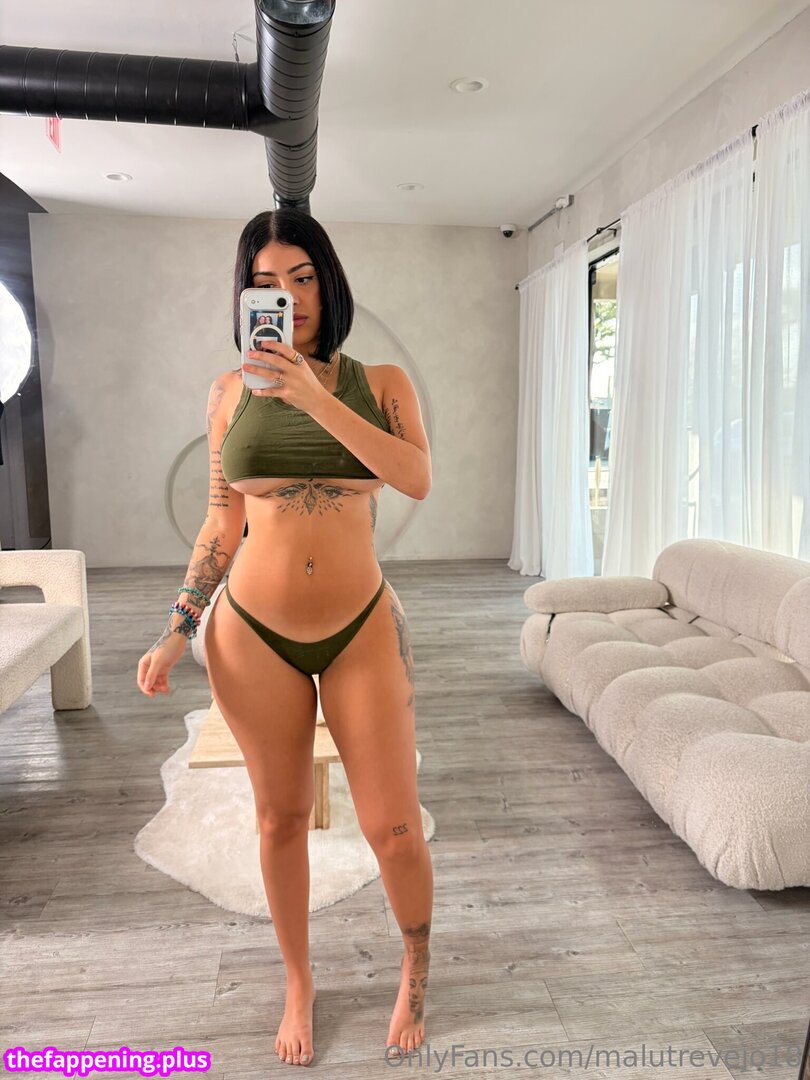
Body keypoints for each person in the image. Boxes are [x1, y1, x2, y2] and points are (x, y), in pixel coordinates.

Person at [137, 208, 434, 1068]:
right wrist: (176, 627)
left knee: (394, 829)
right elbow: (220, 520)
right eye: (265, 285)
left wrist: (311, 394)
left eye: (302, 278)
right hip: (252, 632)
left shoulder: (382, 383)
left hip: (361, 625)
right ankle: (298, 980)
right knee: (280, 819)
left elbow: (415, 477)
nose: (288, 298)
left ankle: (416, 968)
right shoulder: (228, 394)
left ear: (328, 283)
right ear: (245, 299)